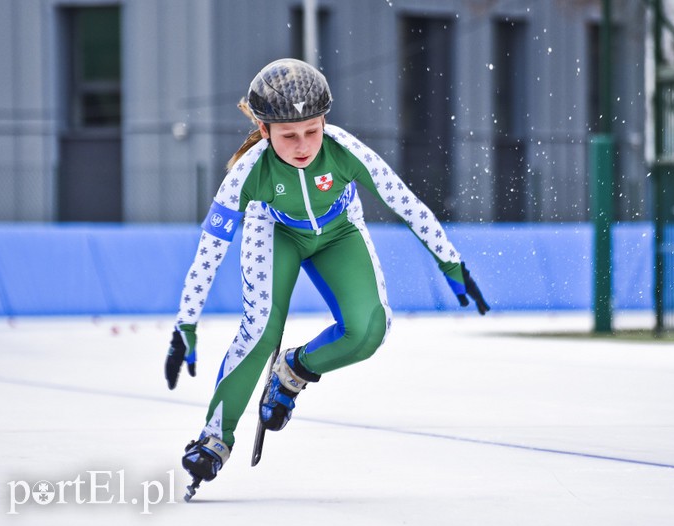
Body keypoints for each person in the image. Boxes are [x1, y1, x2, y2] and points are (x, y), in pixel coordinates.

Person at [164, 58, 489, 484]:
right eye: (288, 136)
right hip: (275, 231)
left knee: (370, 328)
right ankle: (213, 439)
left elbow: (405, 203)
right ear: (263, 131)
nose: (303, 145)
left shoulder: (343, 150)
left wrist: (450, 260)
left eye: (312, 131)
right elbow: (209, 253)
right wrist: (185, 324)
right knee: (260, 328)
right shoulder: (248, 173)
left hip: (337, 231)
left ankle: (294, 370)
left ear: (324, 121)